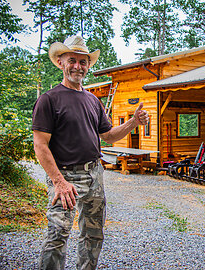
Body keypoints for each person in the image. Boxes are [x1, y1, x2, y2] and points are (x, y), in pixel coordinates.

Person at [32, 35, 149, 270]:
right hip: (65, 178)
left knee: (93, 233)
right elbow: (40, 145)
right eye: (72, 60)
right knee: (58, 235)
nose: (78, 66)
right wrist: (59, 182)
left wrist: (134, 122)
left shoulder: (92, 101)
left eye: (83, 62)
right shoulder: (49, 100)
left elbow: (108, 136)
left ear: (88, 65)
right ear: (60, 63)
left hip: (94, 174)